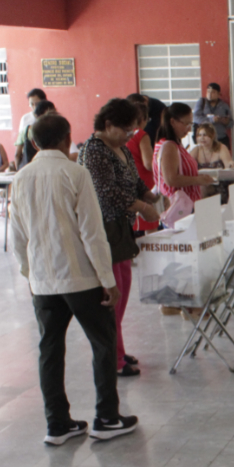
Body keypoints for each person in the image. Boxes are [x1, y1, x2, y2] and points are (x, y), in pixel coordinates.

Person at [9, 113, 138, 445]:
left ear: (34, 142)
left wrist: (29, 274)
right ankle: (106, 417)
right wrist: (107, 278)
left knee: (49, 350)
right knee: (103, 343)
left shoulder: (20, 178)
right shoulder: (75, 173)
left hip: (43, 281)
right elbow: (92, 233)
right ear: (68, 139)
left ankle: (57, 424)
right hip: (81, 278)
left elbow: (17, 235)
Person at [79, 98, 160, 377]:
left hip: (121, 227)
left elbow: (134, 180)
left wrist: (151, 195)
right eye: (126, 130)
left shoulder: (120, 147)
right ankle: (112, 359)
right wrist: (142, 207)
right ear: (108, 124)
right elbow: (106, 192)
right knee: (112, 294)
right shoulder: (94, 151)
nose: (130, 136)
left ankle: (118, 348)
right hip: (105, 228)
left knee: (123, 289)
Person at [153, 102, 209, 220]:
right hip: (180, 209)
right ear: (173, 122)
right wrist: (198, 179)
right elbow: (171, 179)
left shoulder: (176, 145)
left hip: (187, 206)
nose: (189, 129)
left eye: (191, 124)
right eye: (186, 124)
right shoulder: (169, 146)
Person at [193, 82, 233, 155]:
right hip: (205, 140)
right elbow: (195, 118)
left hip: (220, 139)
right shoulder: (202, 103)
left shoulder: (224, 106)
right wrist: (211, 120)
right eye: (208, 91)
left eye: (213, 92)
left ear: (219, 94)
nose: (210, 94)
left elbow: (231, 123)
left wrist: (226, 122)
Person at [19, 100, 59, 168]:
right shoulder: (56, 131)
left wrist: (18, 170)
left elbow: (17, 154)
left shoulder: (26, 130)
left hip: (28, 167)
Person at [15, 87, 47, 155]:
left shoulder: (50, 118)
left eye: (37, 104)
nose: (34, 107)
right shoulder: (25, 118)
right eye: (31, 104)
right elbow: (20, 141)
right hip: (29, 155)